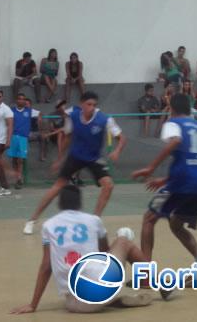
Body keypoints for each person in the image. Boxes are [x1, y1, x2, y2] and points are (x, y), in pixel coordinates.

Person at [11, 185, 153, 314]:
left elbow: (46, 266)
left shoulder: (49, 225)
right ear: (80, 204)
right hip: (100, 289)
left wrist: (33, 305)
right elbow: (105, 253)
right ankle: (155, 281)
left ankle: (105, 300)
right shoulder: (93, 220)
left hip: (73, 304)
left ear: (59, 204)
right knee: (123, 241)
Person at [23, 91, 126, 235]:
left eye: (94, 105)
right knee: (57, 186)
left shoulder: (105, 119)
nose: (91, 107)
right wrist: (59, 159)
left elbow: (121, 138)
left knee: (108, 185)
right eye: (88, 104)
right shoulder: (73, 117)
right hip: (75, 156)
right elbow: (67, 138)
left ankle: (95, 220)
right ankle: (32, 220)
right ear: (81, 105)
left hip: (94, 158)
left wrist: (117, 151)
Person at [131, 94, 197, 271]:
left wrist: (151, 168)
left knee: (149, 219)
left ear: (172, 109)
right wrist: (166, 179)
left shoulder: (172, 123)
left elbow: (176, 141)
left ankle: (145, 273)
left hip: (184, 181)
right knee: (176, 223)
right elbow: (195, 158)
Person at [8, 93, 34, 189]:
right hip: (13, 136)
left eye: (23, 99)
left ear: (25, 101)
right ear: (16, 100)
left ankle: (19, 178)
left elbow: (40, 114)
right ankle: (16, 178)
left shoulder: (29, 111)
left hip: (23, 138)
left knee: (20, 159)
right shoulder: (11, 111)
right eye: (19, 99)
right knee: (14, 159)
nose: (21, 100)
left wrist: (39, 118)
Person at [25, 97, 45, 162]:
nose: (26, 105)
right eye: (25, 104)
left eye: (27, 104)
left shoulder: (36, 112)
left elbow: (41, 115)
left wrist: (39, 118)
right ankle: (23, 156)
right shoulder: (22, 112)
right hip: (26, 133)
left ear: (30, 105)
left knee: (42, 136)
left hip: (35, 132)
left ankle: (42, 155)